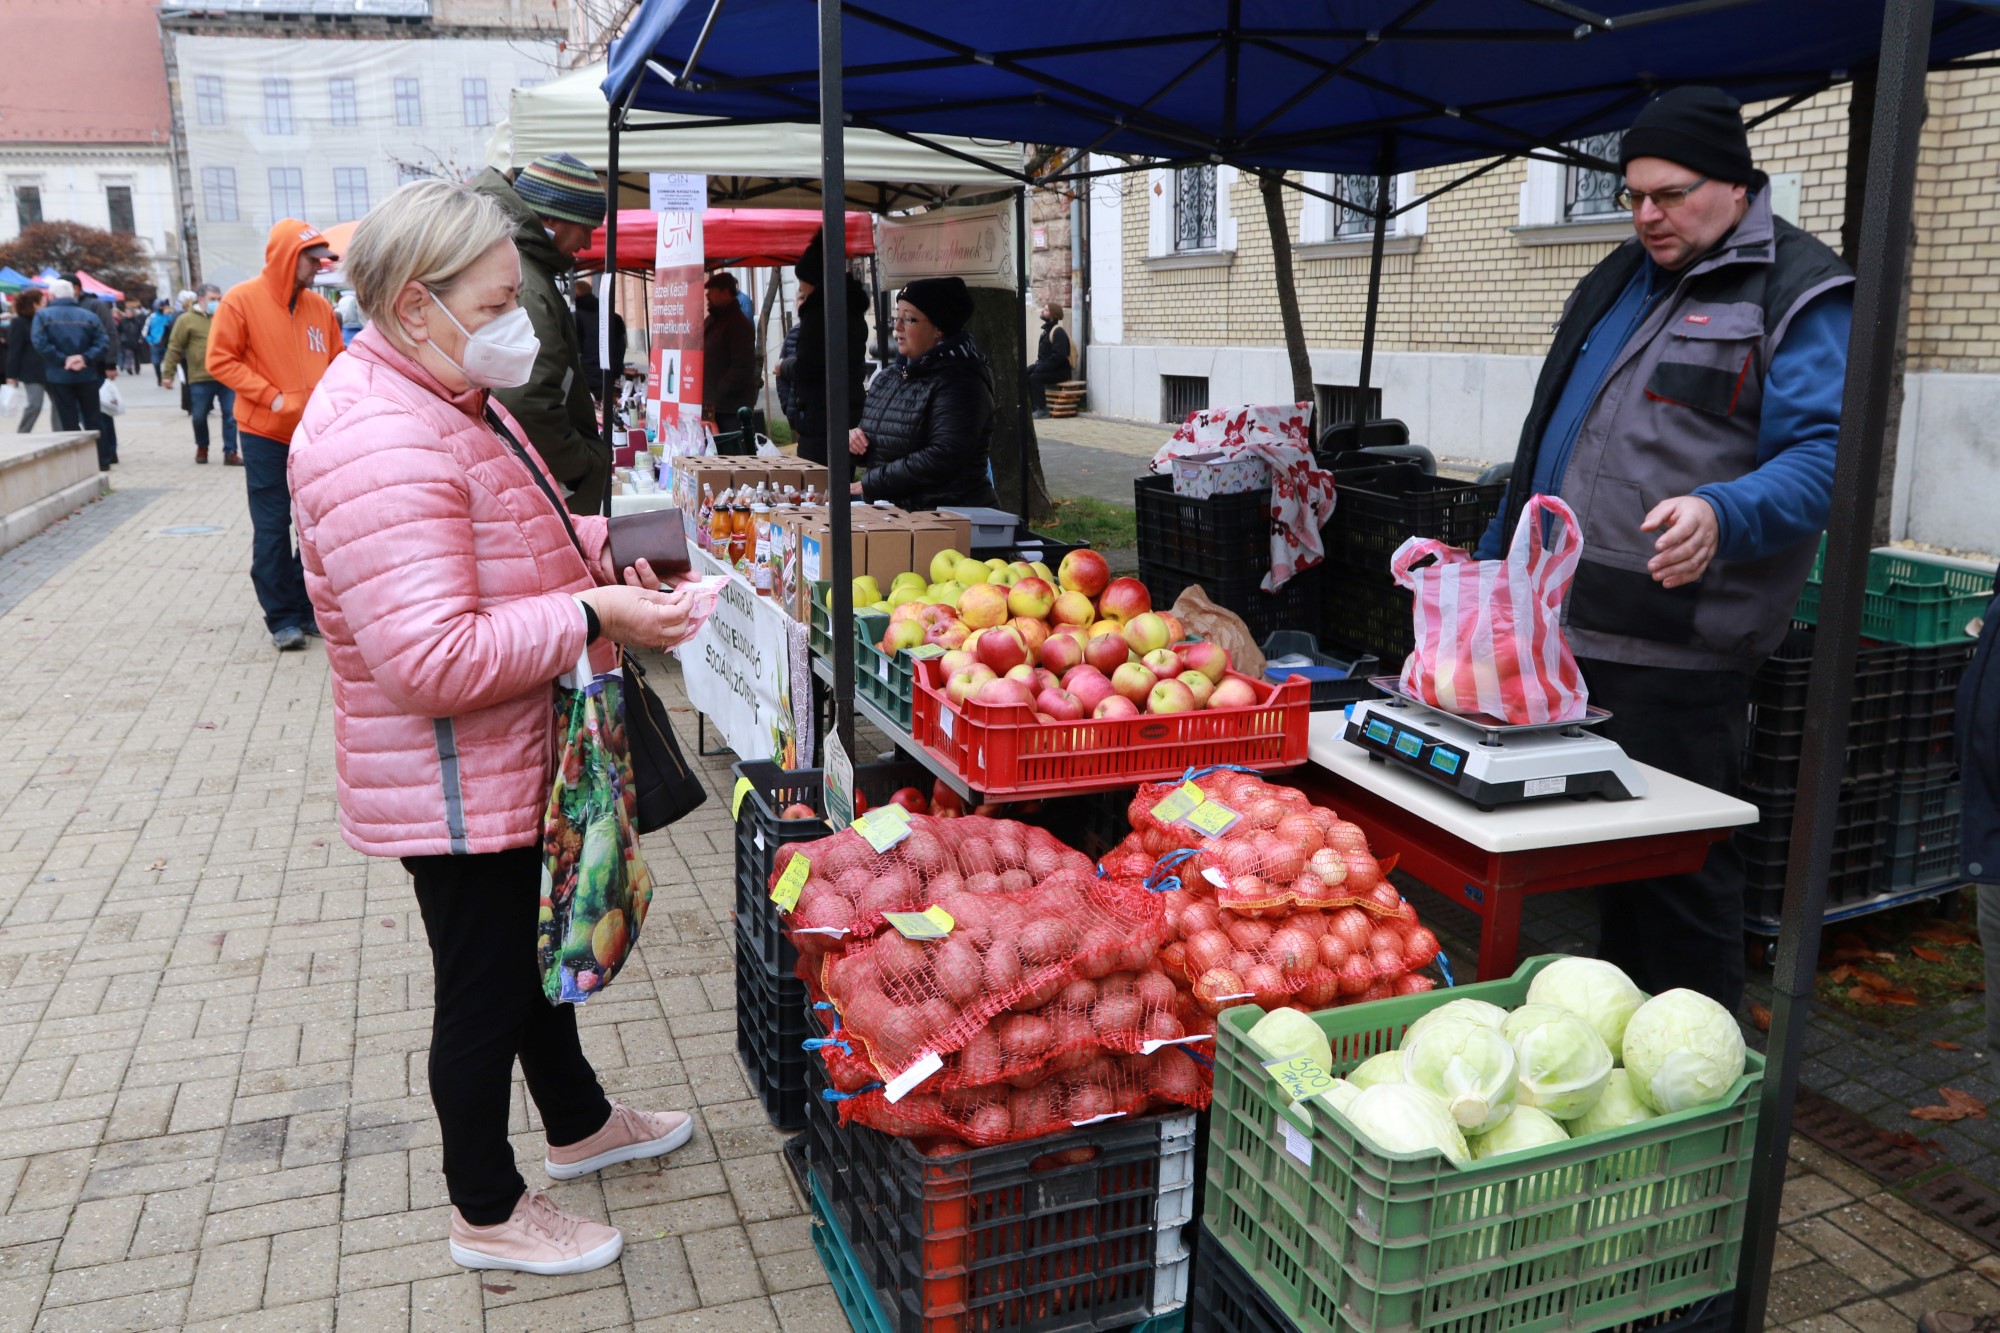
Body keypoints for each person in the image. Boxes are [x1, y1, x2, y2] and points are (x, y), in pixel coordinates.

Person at [290, 179, 698, 1276]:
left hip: (506, 756)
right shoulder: (379, 433)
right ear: (415, 306)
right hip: (454, 777)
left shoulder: (449, 396)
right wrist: (591, 612)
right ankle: (485, 1207)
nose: (514, 322)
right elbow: (428, 658)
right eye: (493, 301)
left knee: (528, 964)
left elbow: (520, 521)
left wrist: (617, 542)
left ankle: (577, 1123)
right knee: (482, 993)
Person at [1472, 87, 1854, 1013]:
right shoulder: (1619, 274)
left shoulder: (1795, 288)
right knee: (1612, 878)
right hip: (1568, 636)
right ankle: (1620, 1064)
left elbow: (1829, 456)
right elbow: (1548, 434)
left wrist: (1725, 513)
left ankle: (1701, 1085)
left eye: (1671, 194)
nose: (1648, 214)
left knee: (1681, 884)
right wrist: (1493, 565)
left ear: (1734, 183)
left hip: (1681, 654)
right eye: (1634, 195)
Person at [206, 218, 345, 652]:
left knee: (314, 528)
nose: (319, 267)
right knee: (272, 527)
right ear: (289, 257)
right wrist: (270, 397)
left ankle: (305, 610)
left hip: (313, 435)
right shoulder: (241, 301)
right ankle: (281, 617)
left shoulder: (320, 308)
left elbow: (338, 361)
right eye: (312, 259)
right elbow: (220, 360)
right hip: (264, 435)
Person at [472, 153, 610, 516]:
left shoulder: (522, 268)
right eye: (586, 228)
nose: (586, 244)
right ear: (551, 218)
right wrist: (582, 465)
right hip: (551, 481)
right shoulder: (527, 283)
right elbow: (525, 399)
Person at [847, 277, 1002, 511]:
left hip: (949, 519)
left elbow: (943, 457)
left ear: (938, 328)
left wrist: (872, 483)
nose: (896, 327)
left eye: (908, 319)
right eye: (896, 317)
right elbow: (877, 440)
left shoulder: (963, 382)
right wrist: (854, 441)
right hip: (897, 514)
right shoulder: (889, 378)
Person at [782, 229, 868, 465]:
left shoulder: (819, 314)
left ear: (815, 281)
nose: (801, 289)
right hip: (842, 413)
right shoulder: (849, 308)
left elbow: (807, 366)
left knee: (819, 490)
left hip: (822, 418)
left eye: (802, 282)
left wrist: (785, 367)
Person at [30, 279, 112, 468]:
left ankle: (76, 463)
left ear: (51, 295)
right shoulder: (89, 316)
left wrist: (62, 359)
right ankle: (101, 459)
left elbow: (40, 343)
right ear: (73, 294)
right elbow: (102, 342)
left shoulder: (43, 317)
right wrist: (84, 358)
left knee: (68, 420)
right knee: (94, 418)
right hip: (87, 374)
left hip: (59, 375)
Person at [162, 284, 238, 465]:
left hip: (226, 376)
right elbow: (175, 347)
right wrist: (168, 374)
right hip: (200, 377)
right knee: (199, 416)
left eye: (219, 299)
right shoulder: (186, 320)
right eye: (213, 299)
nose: (217, 303)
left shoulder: (225, 316)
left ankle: (231, 452)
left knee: (231, 415)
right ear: (200, 298)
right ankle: (202, 446)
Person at [703, 271, 758, 431]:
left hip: (729, 409)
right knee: (708, 451)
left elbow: (741, 368)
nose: (707, 295)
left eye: (711, 291)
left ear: (725, 292)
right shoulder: (711, 320)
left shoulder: (739, 325)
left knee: (729, 451)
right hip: (710, 405)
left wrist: (719, 392)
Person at [5, 289, 47, 432]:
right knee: (35, 404)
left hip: (51, 368)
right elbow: (14, 350)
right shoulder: (19, 323)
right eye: (43, 302)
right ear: (35, 304)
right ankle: (22, 433)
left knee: (60, 405)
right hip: (31, 371)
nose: (45, 305)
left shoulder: (45, 319)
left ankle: (62, 433)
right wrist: (11, 375)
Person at [1025, 299, 1072, 418]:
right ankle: (1030, 406)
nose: (1042, 311)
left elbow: (1059, 357)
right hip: (1047, 368)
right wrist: (1038, 366)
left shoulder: (1058, 332)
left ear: (1053, 314)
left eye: (1046, 310)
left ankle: (1042, 409)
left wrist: (1040, 367)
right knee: (1025, 372)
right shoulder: (1046, 331)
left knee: (1035, 377)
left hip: (1060, 372)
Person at [144, 299, 174, 384]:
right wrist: (150, 340)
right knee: (156, 363)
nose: (162, 308)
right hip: (155, 344)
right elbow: (145, 331)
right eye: (161, 306)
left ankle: (167, 378)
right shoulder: (151, 317)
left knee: (168, 362)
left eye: (164, 306)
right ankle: (159, 377)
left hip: (167, 343)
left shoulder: (169, 316)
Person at [118, 302, 145, 374]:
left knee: (136, 356)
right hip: (126, 341)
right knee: (128, 355)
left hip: (136, 340)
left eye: (129, 313)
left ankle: (137, 368)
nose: (128, 314)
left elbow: (141, 331)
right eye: (126, 313)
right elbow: (119, 330)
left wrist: (141, 338)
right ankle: (128, 367)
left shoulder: (137, 321)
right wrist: (121, 338)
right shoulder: (123, 321)